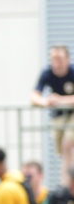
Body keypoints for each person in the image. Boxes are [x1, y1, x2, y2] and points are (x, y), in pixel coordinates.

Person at [31, 45, 74, 179]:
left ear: (67, 59)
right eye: (53, 59)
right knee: (63, 151)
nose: (56, 63)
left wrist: (60, 100)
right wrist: (46, 102)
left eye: (59, 59)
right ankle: (66, 183)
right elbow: (34, 96)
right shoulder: (47, 73)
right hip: (58, 116)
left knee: (69, 143)